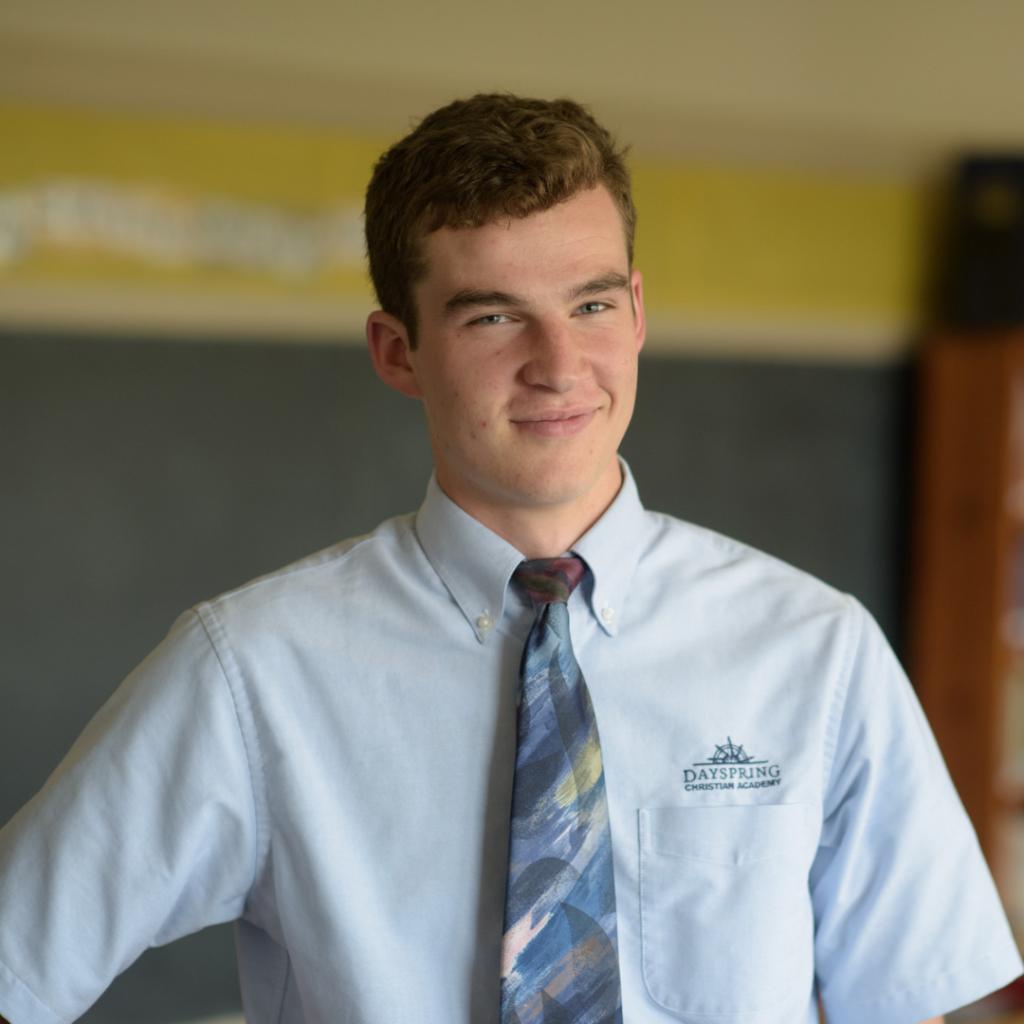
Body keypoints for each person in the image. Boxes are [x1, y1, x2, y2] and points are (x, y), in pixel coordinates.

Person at [0, 93, 1020, 1024]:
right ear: (397, 351)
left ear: (638, 312)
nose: (559, 365)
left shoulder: (814, 648)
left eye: (590, 305)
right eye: (493, 316)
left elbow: (907, 1001)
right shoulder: (251, 670)